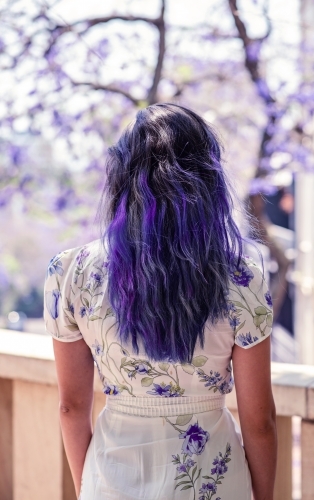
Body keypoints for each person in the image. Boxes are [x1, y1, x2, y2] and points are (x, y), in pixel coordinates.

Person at [44, 103, 277, 500]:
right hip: (214, 481)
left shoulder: (72, 273)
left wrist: (91, 485)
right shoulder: (242, 276)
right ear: (208, 180)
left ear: (122, 177)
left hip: (112, 478)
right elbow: (260, 422)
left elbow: (71, 406)